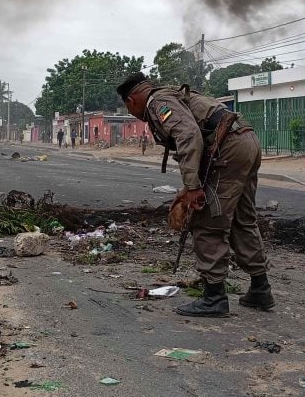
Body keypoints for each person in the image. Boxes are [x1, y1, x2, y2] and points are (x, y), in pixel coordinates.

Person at [117, 72, 274, 317]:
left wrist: (192, 188)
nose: (131, 113)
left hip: (228, 147)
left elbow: (188, 135)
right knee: (243, 219)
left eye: (129, 109)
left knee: (208, 220)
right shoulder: (172, 94)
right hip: (246, 140)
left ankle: (214, 298)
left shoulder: (158, 103)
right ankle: (260, 289)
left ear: (131, 101)